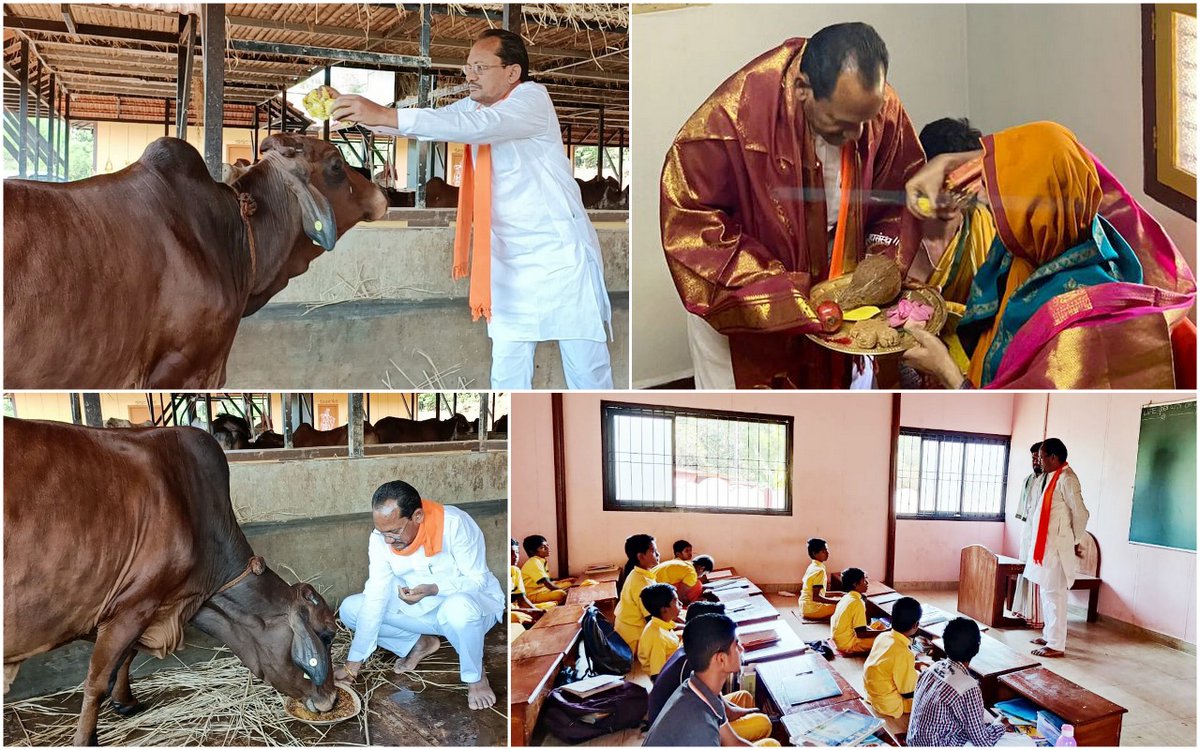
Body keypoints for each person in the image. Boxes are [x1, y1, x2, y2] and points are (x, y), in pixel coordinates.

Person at [330, 29, 614, 390]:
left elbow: (475, 128)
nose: (470, 76)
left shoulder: (531, 99)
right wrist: (364, 115)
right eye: (468, 68)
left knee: (587, 371)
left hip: (561, 257)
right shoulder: (476, 106)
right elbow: (433, 124)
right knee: (508, 370)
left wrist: (385, 114)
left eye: (480, 67)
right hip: (509, 262)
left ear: (512, 72)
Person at [660, 21, 926, 389]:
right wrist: (786, 294)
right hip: (753, 307)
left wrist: (872, 274)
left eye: (866, 122)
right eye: (841, 124)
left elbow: (900, 199)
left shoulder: (880, 109)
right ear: (802, 90)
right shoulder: (731, 118)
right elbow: (692, 226)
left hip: (837, 300)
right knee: (750, 403)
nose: (858, 136)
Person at [902, 121, 1196, 389]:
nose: (989, 211)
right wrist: (949, 162)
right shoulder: (1075, 217)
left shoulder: (1079, 336)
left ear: (1032, 218)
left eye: (1000, 207)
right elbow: (1058, 152)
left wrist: (945, 370)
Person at [337, 480, 503, 710]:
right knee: (350, 609)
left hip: (469, 611)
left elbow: (477, 581)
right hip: (420, 610)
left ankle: (475, 677)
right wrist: (352, 665)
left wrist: (434, 589)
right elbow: (376, 593)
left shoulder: (455, 523)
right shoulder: (380, 537)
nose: (388, 540)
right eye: (383, 532)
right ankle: (419, 642)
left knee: (458, 608)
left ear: (417, 516)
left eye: (395, 531)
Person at [644, 614, 781, 747]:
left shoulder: (697, 687)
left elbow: (733, 742)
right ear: (721, 659)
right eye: (736, 644)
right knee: (771, 745)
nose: (741, 648)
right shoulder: (702, 730)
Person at [1023, 438, 1089, 657]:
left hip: (1058, 550)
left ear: (1053, 457)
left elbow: (1081, 513)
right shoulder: (1053, 477)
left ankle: (1056, 645)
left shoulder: (1068, 479)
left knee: (1055, 596)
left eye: (1042, 457)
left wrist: (1074, 540)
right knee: (1046, 592)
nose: (1039, 461)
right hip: (1046, 549)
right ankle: (1049, 634)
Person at [907, 618, 1008, 746]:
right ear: (976, 648)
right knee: (1010, 740)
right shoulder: (969, 687)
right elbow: (983, 742)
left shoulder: (932, 668)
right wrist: (1000, 724)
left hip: (914, 741)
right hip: (937, 744)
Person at [863, 596, 924, 719]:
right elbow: (907, 693)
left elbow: (890, 666)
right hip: (889, 705)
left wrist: (914, 666)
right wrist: (923, 676)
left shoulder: (883, 636)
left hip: (872, 695)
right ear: (916, 625)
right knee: (931, 697)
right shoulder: (903, 653)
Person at [1009, 443, 1044, 627]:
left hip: (1041, 533)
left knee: (1036, 574)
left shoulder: (1049, 481)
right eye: (1033, 458)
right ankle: (1024, 611)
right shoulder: (1029, 480)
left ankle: (1038, 617)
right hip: (1028, 531)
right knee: (1025, 570)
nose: (1035, 461)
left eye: (1038, 457)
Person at [614, 534, 660, 653]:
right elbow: (653, 620)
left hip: (629, 632)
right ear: (641, 556)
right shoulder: (641, 582)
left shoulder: (641, 574)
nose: (658, 554)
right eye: (654, 551)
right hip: (634, 641)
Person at [831, 567, 885, 654]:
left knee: (878, 624)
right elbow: (861, 634)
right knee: (886, 639)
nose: (867, 583)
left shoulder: (846, 597)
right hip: (848, 644)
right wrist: (884, 632)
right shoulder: (857, 602)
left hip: (839, 639)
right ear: (855, 584)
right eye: (864, 581)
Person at [637, 583, 684, 678]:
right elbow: (657, 675)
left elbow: (675, 626)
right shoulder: (658, 638)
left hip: (672, 658)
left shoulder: (658, 622)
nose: (681, 604)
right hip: (670, 674)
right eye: (675, 600)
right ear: (664, 609)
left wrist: (690, 625)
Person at [520, 534, 571, 605]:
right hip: (532, 594)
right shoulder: (534, 562)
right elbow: (548, 584)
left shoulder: (540, 560)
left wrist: (563, 581)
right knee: (561, 594)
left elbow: (549, 581)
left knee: (570, 582)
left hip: (542, 589)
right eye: (543, 547)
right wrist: (565, 591)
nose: (548, 548)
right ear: (532, 552)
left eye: (547, 545)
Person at [800, 538, 842, 620]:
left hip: (804, 607)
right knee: (847, 604)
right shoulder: (820, 571)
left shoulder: (813, 566)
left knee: (838, 599)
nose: (827, 553)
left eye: (827, 550)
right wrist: (837, 602)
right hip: (813, 609)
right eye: (823, 551)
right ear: (815, 553)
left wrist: (839, 593)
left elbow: (817, 593)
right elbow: (816, 597)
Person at [509, 538, 545, 625]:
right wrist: (528, 611)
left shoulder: (515, 570)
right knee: (518, 617)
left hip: (516, 607)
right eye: (511, 553)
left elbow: (521, 599)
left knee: (547, 609)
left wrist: (535, 610)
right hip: (509, 611)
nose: (515, 556)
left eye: (517, 552)